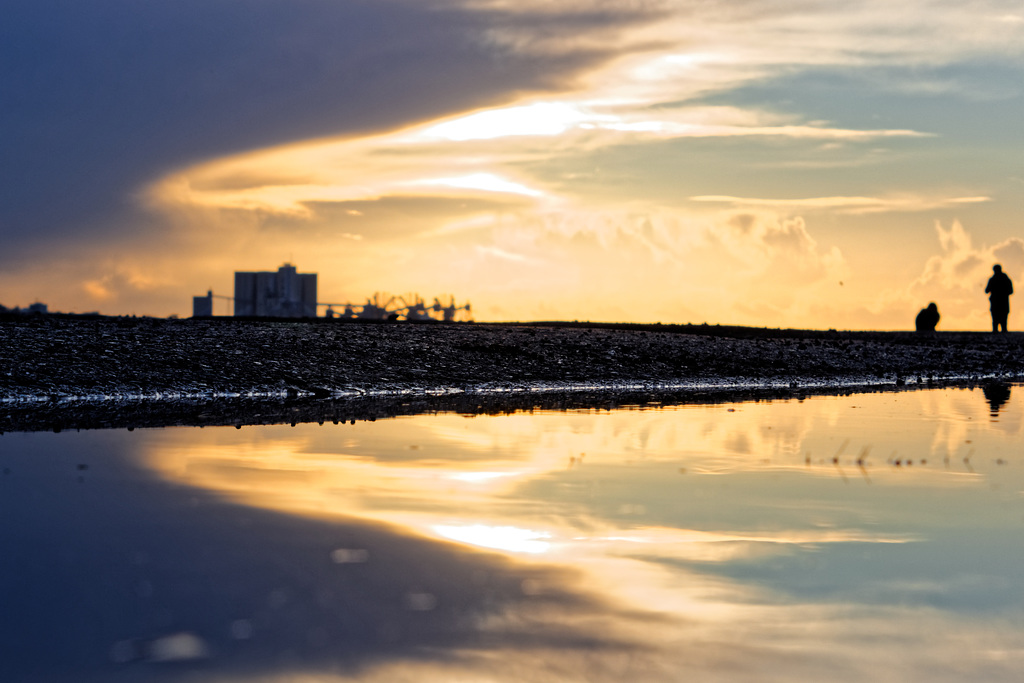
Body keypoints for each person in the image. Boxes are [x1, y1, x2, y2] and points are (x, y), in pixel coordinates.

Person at [985, 264, 1013, 333]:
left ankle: (996, 330)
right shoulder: (1006, 279)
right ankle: (1003, 330)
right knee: (1003, 316)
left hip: (996, 301)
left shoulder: (992, 279)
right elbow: (1011, 291)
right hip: (1003, 301)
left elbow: (986, 290)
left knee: (996, 316)